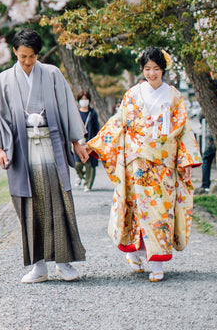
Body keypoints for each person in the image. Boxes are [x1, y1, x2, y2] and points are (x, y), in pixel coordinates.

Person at [0, 28, 89, 283]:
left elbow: (67, 108)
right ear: (14, 52)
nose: (28, 61)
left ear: (38, 54)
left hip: (51, 146)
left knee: (59, 200)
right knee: (27, 205)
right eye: (23, 56)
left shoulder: (52, 74)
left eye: (32, 56)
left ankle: (63, 262)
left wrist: (77, 142)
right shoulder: (3, 80)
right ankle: (38, 266)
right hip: (21, 151)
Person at [86, 47, 201, 282]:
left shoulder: (174, 96)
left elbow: (184, 130)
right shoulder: (133, 94)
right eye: (147, 69)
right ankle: (136, 253)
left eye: (156, 69)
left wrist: (186, 161)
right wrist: (96, 144)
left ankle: (157, 262)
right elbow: (118, 122)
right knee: (137, 210)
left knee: (160, 211)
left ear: (163, 70)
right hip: (137, 161)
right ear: (142, 69)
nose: (151, 73)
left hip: (164, 163)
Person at [73, 91, 99, 192]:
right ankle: (81, 176)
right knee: (77, 164)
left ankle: (88, 184)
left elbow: (96, 127)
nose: (84, 101)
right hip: (78, 140)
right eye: (82, 99)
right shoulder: (75, 113)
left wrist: (95, 141)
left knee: (90, 164)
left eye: (85, 99)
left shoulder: (92, 113)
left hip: (90, 140)